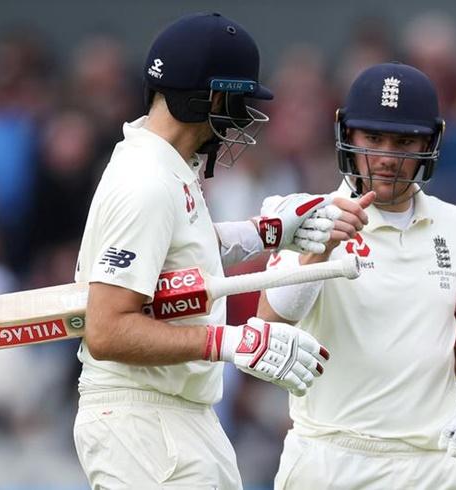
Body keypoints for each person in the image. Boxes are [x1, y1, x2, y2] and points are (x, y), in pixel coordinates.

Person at [71, 13, 369, 489]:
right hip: (145, 424)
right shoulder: (145, 181)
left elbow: (180, 256)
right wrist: (230, 341)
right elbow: (107, 329)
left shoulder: (164, 167)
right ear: (211, 97)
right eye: (238, 102)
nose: (242, 119)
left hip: (175, 417)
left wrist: (268, 232)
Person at [257, 62, 456, 489]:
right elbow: (270, 320)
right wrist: (319, 249)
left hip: (438, 464)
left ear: (429, 141)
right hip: (334, 458)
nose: (386, 157)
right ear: (347, 134)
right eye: (373, 138)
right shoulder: (304, 213)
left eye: (403, 141)